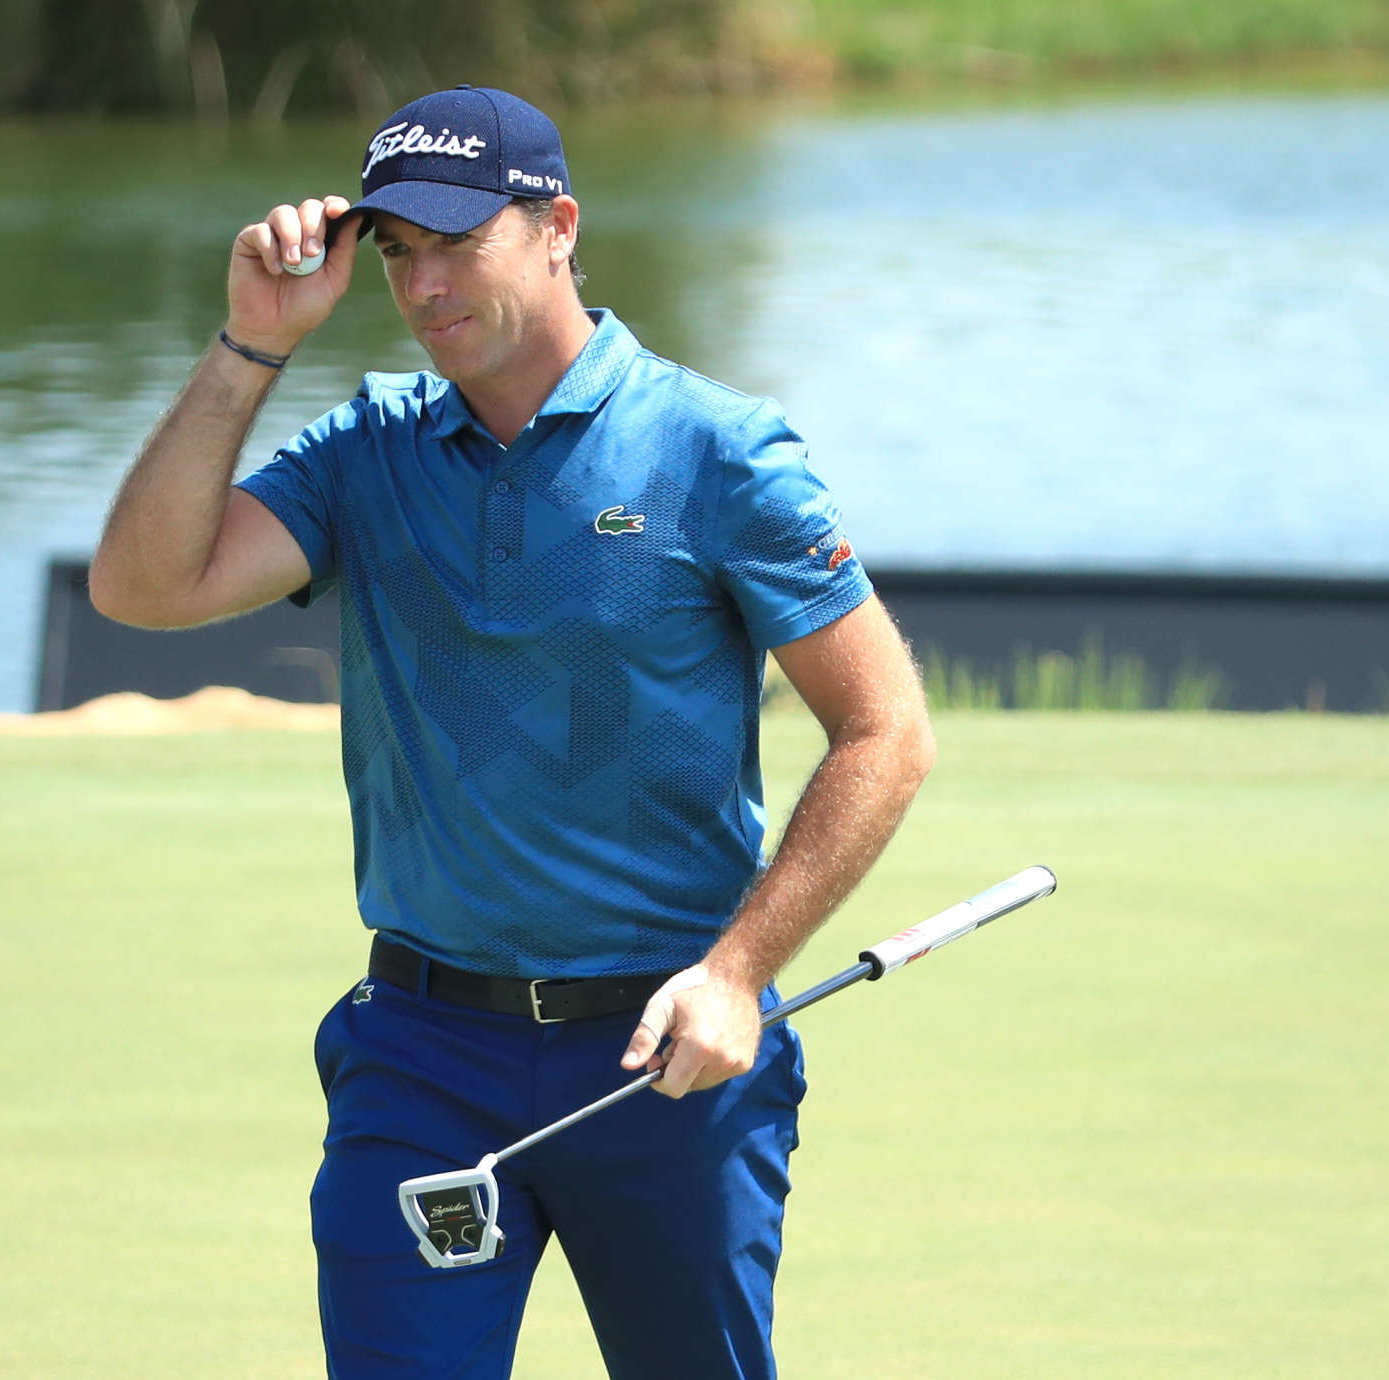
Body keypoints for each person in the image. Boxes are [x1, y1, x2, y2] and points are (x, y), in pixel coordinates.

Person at [90, 85, 935, 1380]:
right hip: (423, 1054)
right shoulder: (364, 449)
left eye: (455, 241)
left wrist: (740, 973)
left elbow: (884, 728)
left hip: (667, 1048)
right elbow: (144, 590)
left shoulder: (717, 452)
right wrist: (249, 348)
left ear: (556, 228)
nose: (423, 282)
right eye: (397, 252)